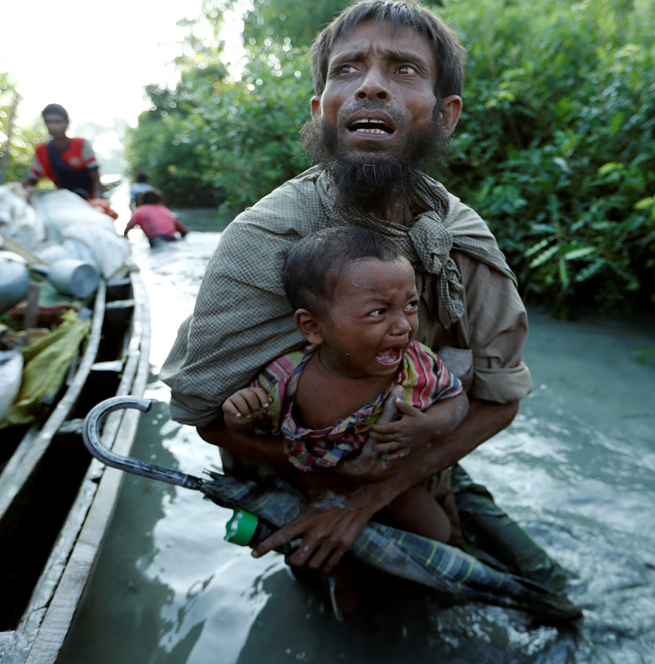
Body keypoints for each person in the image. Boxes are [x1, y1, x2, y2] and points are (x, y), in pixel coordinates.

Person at [162, 0, 569, 588]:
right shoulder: (265, 239)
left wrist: (376, 490)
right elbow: (206, 416)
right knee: (337, 590)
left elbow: (500, 398)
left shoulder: (459, 237)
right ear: (321, 108)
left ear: (446, 114)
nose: (371, 87)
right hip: (298, 490)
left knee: (545, 590)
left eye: (404, 70)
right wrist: (336, 481)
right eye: (347, 70)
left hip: (420, 465)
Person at [223, 227, 468, 548]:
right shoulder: (285, 379)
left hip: (391, 478)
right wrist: (239, 416)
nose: (404, 325)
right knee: (330, 554)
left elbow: (457, 399)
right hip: (320, 484)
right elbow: (249, 432)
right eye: (378, 311)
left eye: (410, 305)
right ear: (313, 327)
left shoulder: (416, 364)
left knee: (438, 533)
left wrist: (429, 425)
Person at [22, 103, 102, 199]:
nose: (54, 126)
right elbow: (34, 179)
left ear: (66, 123)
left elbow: (95, 177)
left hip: (88, 198)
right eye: (49, 122)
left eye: (58, 122)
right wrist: (17, 187)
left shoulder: (82, 145)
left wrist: (98, 200)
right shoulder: (41, 151)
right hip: (63, 199)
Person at [123, 189, 188, 248]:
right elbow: (183, 231)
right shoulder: (166, 210)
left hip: (157, 242)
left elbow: (128, 228)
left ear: (143, 200)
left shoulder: (139, 211)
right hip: (172, 240)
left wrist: (125, 240)